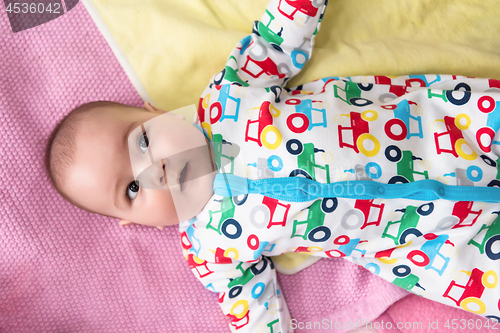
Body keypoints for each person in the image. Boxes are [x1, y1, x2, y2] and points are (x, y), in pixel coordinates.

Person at [46, 0, 500, 332]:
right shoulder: (211, 252)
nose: (155, 170)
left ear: (153, 111)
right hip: (439, 242)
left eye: (143, 140)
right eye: (131, 189)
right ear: (135, 224)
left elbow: (276, 39)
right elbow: (254, 313)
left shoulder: (229, 97)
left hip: (449, 128)